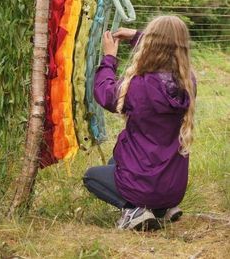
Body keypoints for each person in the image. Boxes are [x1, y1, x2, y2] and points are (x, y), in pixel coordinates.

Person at [83, 15, 196, 230]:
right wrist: (136, 36)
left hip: (146, 186)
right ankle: (163, 209)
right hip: (173, 189)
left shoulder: (141, 85)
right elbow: (168, 47)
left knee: (92, 177)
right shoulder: (188, 81)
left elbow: (105, 93)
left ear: (152, 44)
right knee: (114, 161)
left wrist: (109, 58)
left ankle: (135, 211)